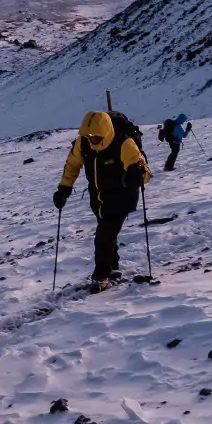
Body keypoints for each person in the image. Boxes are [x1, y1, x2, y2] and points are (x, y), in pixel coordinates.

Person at [53, 110, 151, 291]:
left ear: (106, 132)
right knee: (107, 232)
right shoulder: (83, 143)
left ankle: (101, 274)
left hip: (122, 196)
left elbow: (144, 171)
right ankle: (113, 267)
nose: (92, 140)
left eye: (96, 137)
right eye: (89, 136)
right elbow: (73, 164)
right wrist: (64, 189)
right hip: (98, 199)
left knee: (104, 235)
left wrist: (137, 175)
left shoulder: (124, 143)